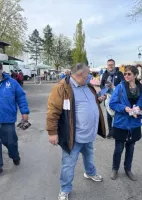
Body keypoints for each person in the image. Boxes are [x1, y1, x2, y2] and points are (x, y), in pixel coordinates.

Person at [46, 63, 106, 200]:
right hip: (73, 137)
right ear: (80, 75)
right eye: (88, 74)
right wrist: (52, 132)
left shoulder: (88, 87)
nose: (90, 77)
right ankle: (64, 189)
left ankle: (90, 173)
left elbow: (90, 103)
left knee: (89, 157)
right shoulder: (62, 88)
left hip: (89, 134)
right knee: (68, 164)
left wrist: (98, 99)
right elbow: (52, 111)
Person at [109, 65, 142, 181]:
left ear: (135, 75)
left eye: (129, 74)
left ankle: (128, 169)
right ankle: (115, 169)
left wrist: (140, 113)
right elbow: (112, 103)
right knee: (118, 149)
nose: (126, 76)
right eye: (125, 74)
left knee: (130, 148)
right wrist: (124, 108)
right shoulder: (120, 88)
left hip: (134, 124)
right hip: (121, 123)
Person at [0, 64, 30, 174]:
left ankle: (14, 155)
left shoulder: (12, 83)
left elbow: (21, 97)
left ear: (1, 69)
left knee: (10, 142)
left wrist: (24, 112)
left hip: (7, 119)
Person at [100, 59, 124, 138]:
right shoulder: (105, 74)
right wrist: (105, 88)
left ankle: (117, 131)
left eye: (111, 64)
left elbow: (123, 85)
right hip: (108, 97)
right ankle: (110, 132)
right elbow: (101, 85)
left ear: (114, 65)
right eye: (109, 65)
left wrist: (113, 87)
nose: (110, 66)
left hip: (117, 98)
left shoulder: (119, 74)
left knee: (117, 115)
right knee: (108, 116)